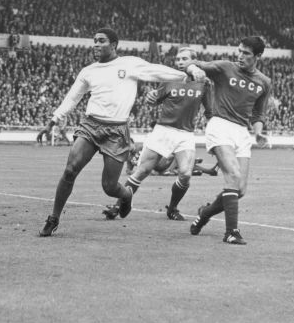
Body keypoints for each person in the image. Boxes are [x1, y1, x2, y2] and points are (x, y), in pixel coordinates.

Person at [38, 28, 205, 237]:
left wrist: (187, 72)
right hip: (91, 125)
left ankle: (126, 195)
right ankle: (53, 218)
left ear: (114, 45)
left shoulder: (129, 64)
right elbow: (72, 98)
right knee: (70, 170)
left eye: (101, 41)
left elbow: (157, 71)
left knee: (109, 186)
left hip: (116, 131)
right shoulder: (88, 71)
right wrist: (53, 120)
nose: (96, 45)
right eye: (94, 41)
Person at [103, 47, 212, 221]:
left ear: (194, 61)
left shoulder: (204, 84)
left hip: (185, 134)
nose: (180, 62)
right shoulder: (169, 79)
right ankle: (118, 206)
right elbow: (155, 100)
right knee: (142, 171)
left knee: (185, 174)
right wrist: (150, 98)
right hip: (162, 131)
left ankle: (172, 209)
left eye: (184, 59)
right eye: (178, 59)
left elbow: (210, 111)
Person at [185, 36, 272, 245]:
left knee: (240, 189)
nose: (240, 56)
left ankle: (205, 213)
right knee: (232, 175)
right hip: (220, 125)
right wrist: (193, 69)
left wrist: (258, 132)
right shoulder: (224, 67)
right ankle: (231, 232)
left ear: (258, 56)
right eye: (239, 51)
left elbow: (258, 114)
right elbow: (194, 64)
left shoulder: (264, 82)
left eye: (246, 53)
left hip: (242, 133)